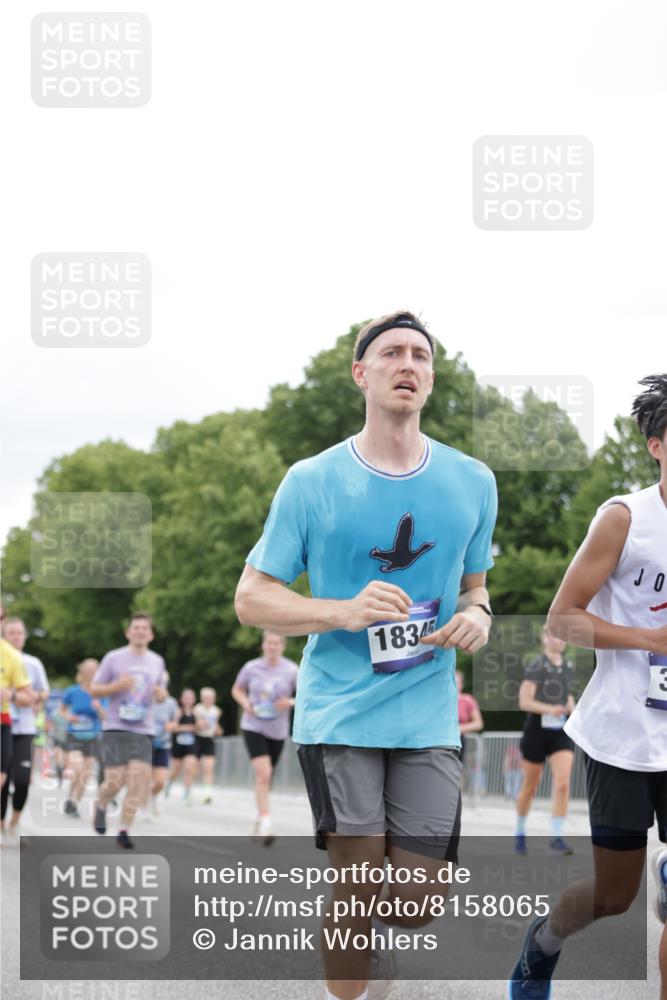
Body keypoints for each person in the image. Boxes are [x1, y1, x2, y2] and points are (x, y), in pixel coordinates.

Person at [235, 311, 497, 1000]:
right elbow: (252, 599)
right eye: (391, 353)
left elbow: (476, 589)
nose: (408, 363)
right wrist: (341, 612)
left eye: (420, 355)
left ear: (430, 377)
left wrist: (478, 616)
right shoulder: (311, 480)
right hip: (340, 710)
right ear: (361, 373)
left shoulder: (473, 480)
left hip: (427, 711)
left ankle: (371, 930)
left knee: (416, 901)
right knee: (356, 883)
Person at [509, 373, 667, 1000]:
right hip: (623, 734)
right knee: (613, 895)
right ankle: (543, 942)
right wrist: (652, 639)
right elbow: (562, 620)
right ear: (656, 445)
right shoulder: (625, 519)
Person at [90, 613, 167, 848]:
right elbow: (94, 689)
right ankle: (101, 804)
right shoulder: (113, 658)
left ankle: (124, 830)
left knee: (138, 781)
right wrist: (117, 686)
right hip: (116, 726)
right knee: (115, 781)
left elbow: (162, 694)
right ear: (128, 632)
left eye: (145, 628)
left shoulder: (157, 661)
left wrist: (161, 695)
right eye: (136, 627)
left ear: (151, 635)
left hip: (144, 729)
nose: (140, 631)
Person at [514, 625, 576, 855]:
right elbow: (524, 702)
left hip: (560, 732)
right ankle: (520, 831)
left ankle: (557, 837)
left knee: (562, 784)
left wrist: (574, 712)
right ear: (545, 638)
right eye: (554, 635)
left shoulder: (568, 666)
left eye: (563, 636)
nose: (559, 640)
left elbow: (568, 697)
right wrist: (551, 709)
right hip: (537, 731)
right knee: (530, 787)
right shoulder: (537, 665)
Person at [231, 631, 298, 842]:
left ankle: (260, 815)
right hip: (253, 726)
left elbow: (305, 695)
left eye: (276, 643)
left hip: (278, 729)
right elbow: (237, 690)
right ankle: (267, 824)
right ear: (263, 645)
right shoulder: (251, 667)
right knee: (263, 774)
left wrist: (290, 702)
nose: (272, 646)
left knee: (268, 777)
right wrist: (245, 704)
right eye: (269, 643)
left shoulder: (291, 670)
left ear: (283, 646)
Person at [0, 617, 49, 843]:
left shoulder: (33, 663)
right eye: (11, 632)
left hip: (24, 728)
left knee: (22, 778)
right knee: (3, 777)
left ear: (25, 636)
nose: (16, 637)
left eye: (20, 633)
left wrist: (32, 698)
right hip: (4, 725)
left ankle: (15, 823)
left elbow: (42, 692)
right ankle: (1, 825)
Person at [60, 659, 104, 818]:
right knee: (77, 768)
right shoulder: (73, 691)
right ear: (82, 672)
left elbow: (106, 716)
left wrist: (99, 709)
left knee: (86, 773)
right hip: (75, 734)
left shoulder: (102, 693)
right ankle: (71, 795)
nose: (91, 673)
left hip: (93, 736)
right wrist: (69, 717)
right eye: (88, 670)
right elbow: (62, 710)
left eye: (94, 670)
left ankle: (74, 803)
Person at [0, 605, 32, 806]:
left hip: (2, 721)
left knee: (3, 778)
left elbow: (28, 696)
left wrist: (10, 695)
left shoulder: (11, 655)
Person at [149, 676, 178, 815]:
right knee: (145, 778)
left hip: (163, 744)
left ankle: (152, 796)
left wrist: (171, 726)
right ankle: (141, 803)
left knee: (160, 781)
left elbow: (175, 722)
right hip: (145, 744)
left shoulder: (171, 703)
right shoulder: (146, 700)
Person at [166, 689, 198, 805]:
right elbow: (172, 728)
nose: (188, 700)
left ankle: (187, 793)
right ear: (182, 699)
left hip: (191, 745)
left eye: (191, 698)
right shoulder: (178, 712)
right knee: (175, 770)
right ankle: (169, 784)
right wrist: (187, 728)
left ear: (194, 700)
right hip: (178, 744)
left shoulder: (196, 713)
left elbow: (198, 727)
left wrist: (200, 726)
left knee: (189, 769)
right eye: (186, 698)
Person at [194, 687, 223, 804]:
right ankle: (188, 790)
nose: (209, 699)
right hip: (198, 739)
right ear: (202, 698)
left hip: (209, 739)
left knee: (209, 768)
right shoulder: (197, 709)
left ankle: (207, 793)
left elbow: (216, 726)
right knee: (194, 768)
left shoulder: (216, 711)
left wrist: (219, 730)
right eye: (206, 697)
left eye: (211, 697)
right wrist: (200, 725)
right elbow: (195, 725)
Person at [456, 669, 483, 765]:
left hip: (458, 740)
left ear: (461, 684)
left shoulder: (467, 700)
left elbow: (478, 724)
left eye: (457, 682)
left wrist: (458, 729)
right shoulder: (440, 699)